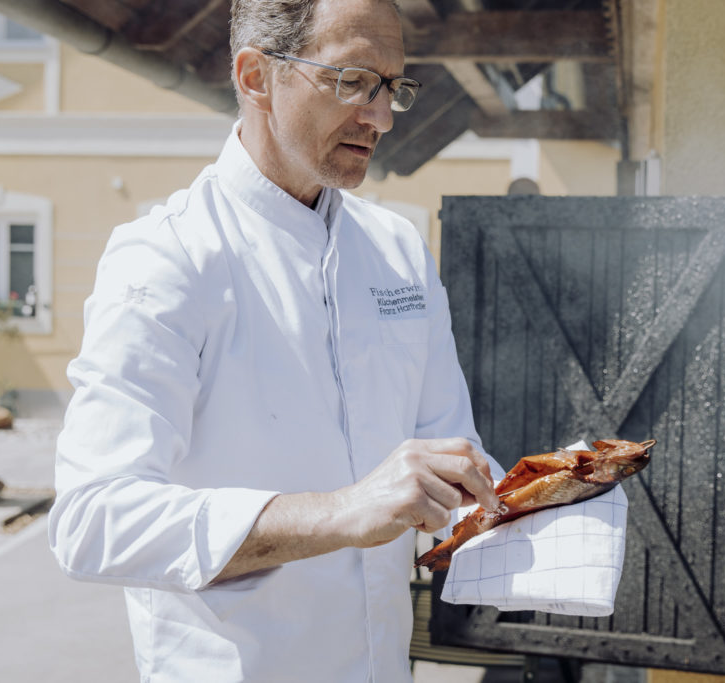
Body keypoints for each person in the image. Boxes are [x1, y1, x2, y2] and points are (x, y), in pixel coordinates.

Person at [48, 0, 502, 680]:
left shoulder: (398, 250)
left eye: (392, 87)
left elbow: (452, 468)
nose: (380, 117)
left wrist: (527, 501)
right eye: (352, 81)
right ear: (256, 76)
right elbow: (93, 520)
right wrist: (344, 512)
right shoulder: (166, 257)